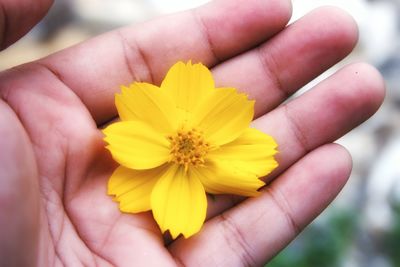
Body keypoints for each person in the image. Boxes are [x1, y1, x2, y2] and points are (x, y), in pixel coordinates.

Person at [0, 0, 385, 266]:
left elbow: (235, 121)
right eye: (187, 145)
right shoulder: (145, 125)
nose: (187, 146)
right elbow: (128, 172)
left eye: (190, 145)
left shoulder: (210, 130)